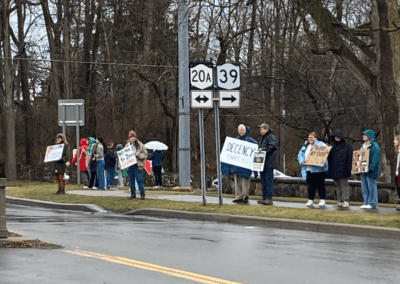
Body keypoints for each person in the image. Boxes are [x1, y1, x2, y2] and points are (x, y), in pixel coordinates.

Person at [297, 132, 328, 208]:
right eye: (309, 137)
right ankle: (310, 199)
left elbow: (326, 151)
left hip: (318, 169)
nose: (310, 139)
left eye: (312, 137)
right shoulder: (306, 146)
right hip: (308, 169)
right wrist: (302, 161)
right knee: (311, 185)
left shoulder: (320, 145)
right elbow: (300, 155)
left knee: (320, 185)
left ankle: (322, 199)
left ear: (316, 138)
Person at [327, 130, 353, 208]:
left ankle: (345, 200)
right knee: (337, 185)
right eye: (335, 136)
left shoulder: (347, 146)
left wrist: (349, 169)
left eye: (338, 136)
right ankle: (339, 200)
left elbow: (350, 159)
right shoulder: (332, 146)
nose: (337, 138)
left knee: (344, 185)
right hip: (334, 169)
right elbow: (329, 159)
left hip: (344, 169)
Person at [257, 123, 277, 205]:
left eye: (261, 129)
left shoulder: (271, 136)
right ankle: (264, 197)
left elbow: (273, 146)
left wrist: (263, 149)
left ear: (266, 129)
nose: (260, 130)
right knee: (263, 181)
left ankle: (269, 198)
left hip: (268, 162)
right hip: (262, 163)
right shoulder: (262, 138)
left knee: (268, 180)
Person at [359, 130, 380, 209]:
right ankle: (366, 202)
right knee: (364, 187)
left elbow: (375, 158)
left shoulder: (374, 146)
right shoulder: (363, 146)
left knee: (371, 186)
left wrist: (370, 168)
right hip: (363, 170)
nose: (363, 136)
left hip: (370, 170)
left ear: (369, 136)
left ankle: (372, 203)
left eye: (365, 135)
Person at [125, 130, 148, 200]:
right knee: (131, 181)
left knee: (139, 180)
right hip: (130, 165)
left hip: (138, 165)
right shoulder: (127, 146)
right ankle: (133, 194)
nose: (132, 139)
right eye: (131, 137)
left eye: (133, 137)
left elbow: (145, 154)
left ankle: (142, 195)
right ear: (129, 138)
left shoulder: (140, 145)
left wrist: (138, 155)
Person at [394, 135, 400, 211]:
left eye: (395, 140)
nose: (393, 141)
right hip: (397, 173)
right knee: (398, 188)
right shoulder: (397, 152)